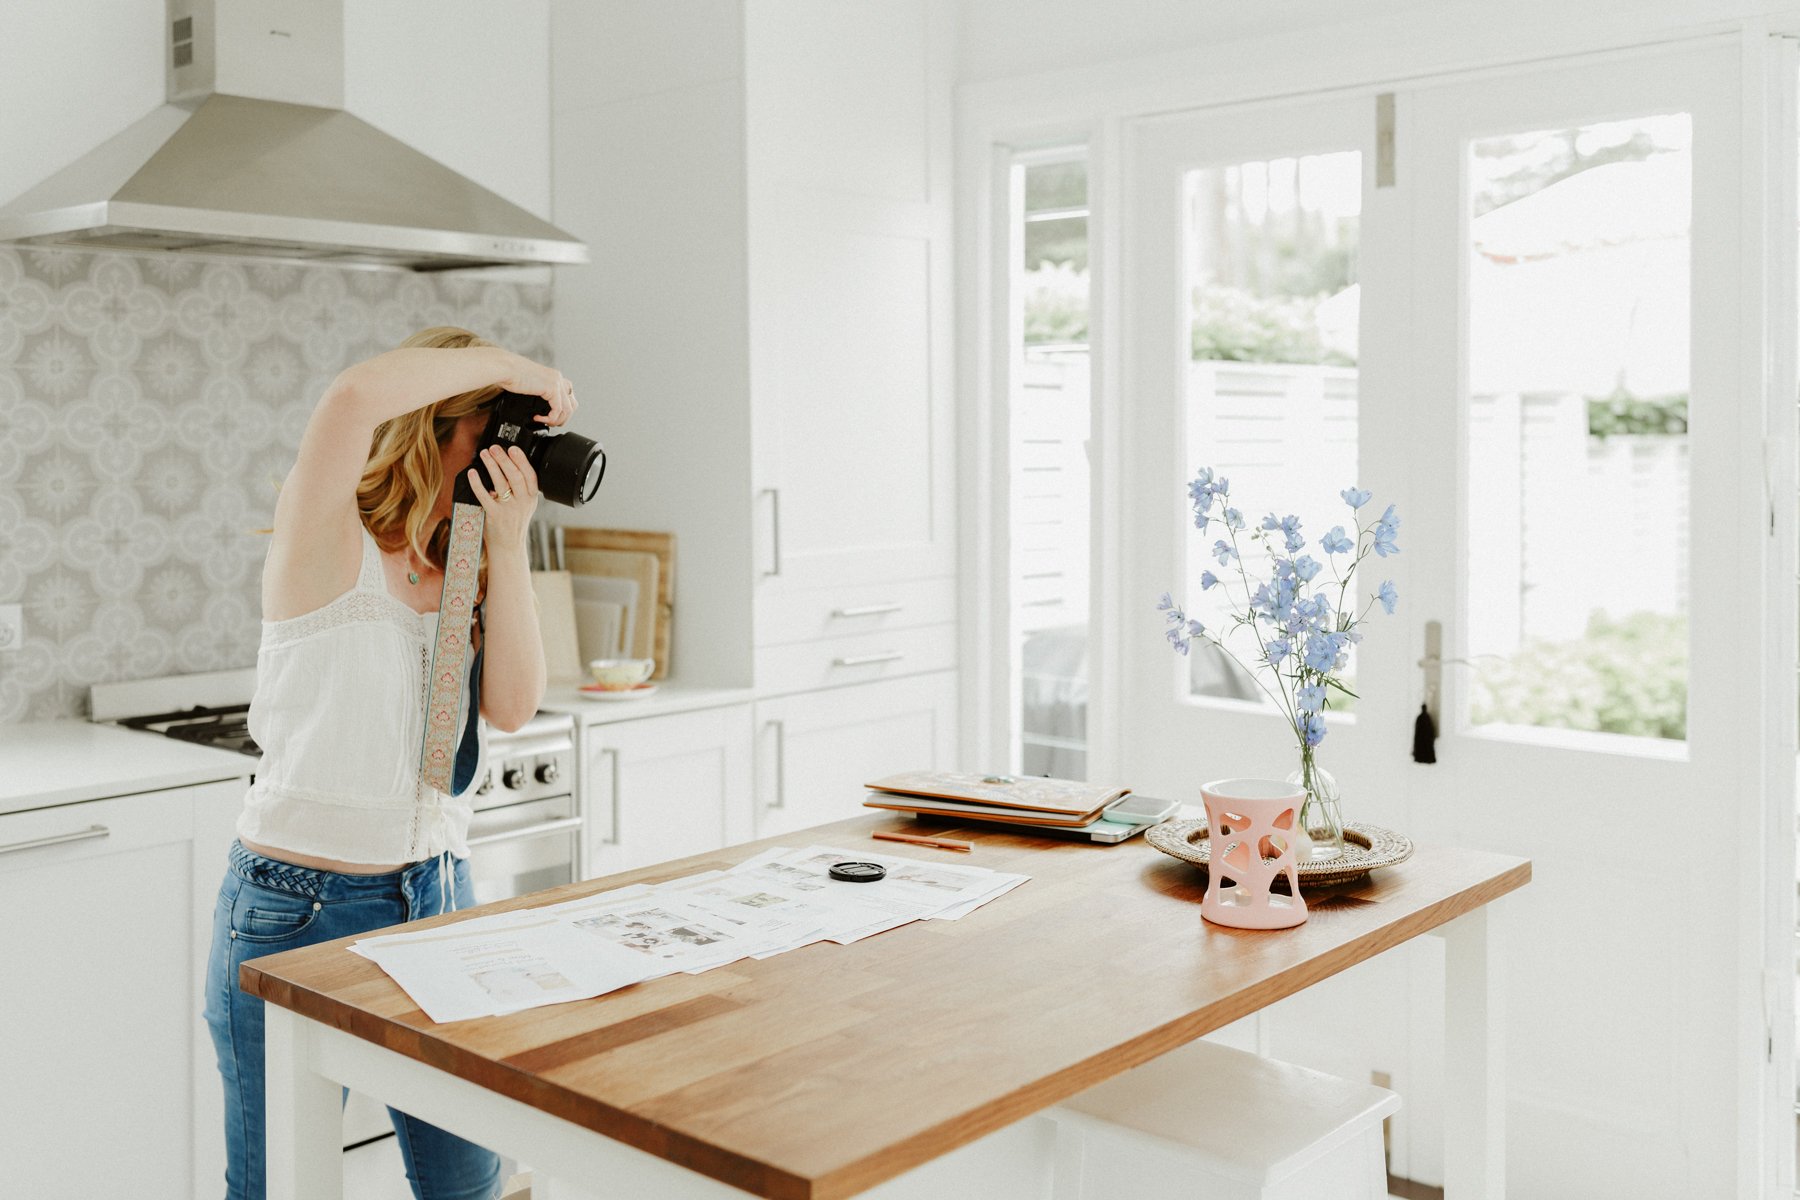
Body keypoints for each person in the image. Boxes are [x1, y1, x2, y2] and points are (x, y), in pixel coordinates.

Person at [202, 325, 577, 1200]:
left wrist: (510, 540)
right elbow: (349, 400)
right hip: (296, 913)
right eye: (501, 425)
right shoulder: (325, 537)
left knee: (468, 1188)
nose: (517, 452)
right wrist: (519, 368)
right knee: (276, 1188)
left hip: (440, 898)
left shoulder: (464, 562)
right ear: (446, 426)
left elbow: (514, 705)